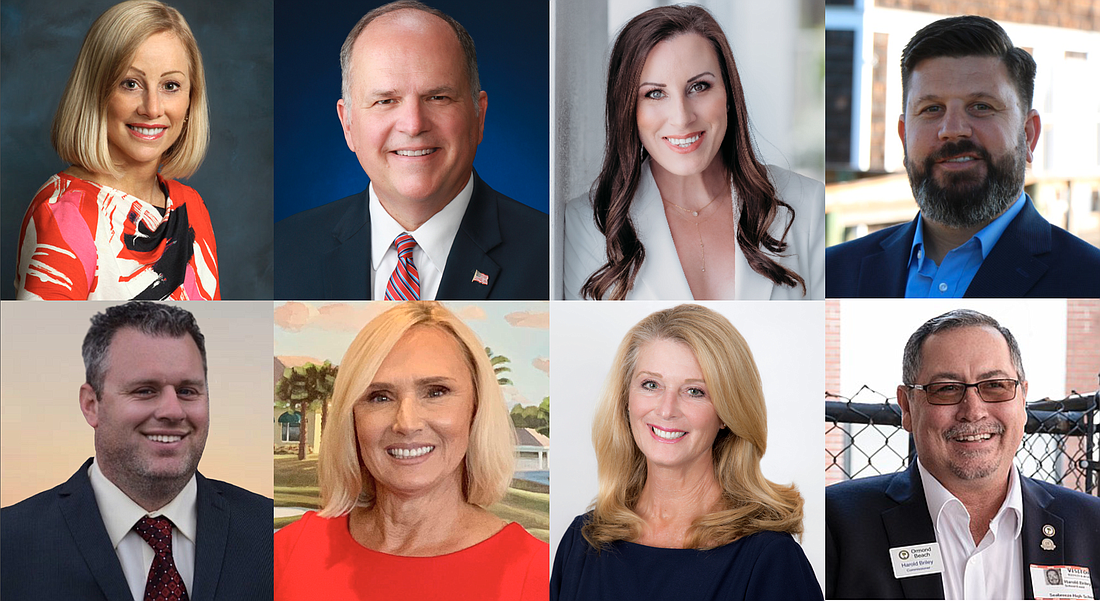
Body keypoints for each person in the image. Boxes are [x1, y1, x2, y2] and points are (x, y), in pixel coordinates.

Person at [274, 1, 549, 301]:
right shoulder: (283, 254)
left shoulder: (548, 254)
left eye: (438, 97)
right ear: (348, 125)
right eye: (385, 101)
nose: (414, 124)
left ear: (478, 116)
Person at [274, 302, 548, 600]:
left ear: (476, 407)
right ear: (351, 417)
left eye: (435, 392)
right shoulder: (288, 553)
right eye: (379, 397)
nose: (406, 423)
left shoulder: (537, 573)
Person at [0, 301, 272, 600]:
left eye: (187, 391)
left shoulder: (266, 532)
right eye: (145, 390)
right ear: (92, 405)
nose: (173, 411)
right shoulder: (10, 542)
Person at [551, 304, 821, 600]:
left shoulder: (770, 558)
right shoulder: (583, 542)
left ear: (726, 413)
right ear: (625, 399)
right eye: (651, 384)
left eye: (695, 391)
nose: (666, 410)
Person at [826, 309, 1100, 600]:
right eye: (946, 389)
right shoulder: (835, 523)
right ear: (907, 407)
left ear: (1022, 399)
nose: (973, 411)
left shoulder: (1092, 525)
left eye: (995, 385)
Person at [826, 16, 1100, 298]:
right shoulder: (828, 274)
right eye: (932, 109)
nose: (953, 130)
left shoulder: (1090, 281)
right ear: (904, 136)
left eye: (981, 106)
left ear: (1028, 134)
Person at [562, 5, 823, 301]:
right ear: (627, 110)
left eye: (699, 86)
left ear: (728, 93)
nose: (682, 117)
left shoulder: (808, 206)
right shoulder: (584, 226)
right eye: (654, 93)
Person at [14, 0, 219, 301]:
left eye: (170, 86)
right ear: (96, 93)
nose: (152, 108)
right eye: (130, 83)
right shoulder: (66, 214)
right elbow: (43, 348)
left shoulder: (192, 207)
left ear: (191, 99)